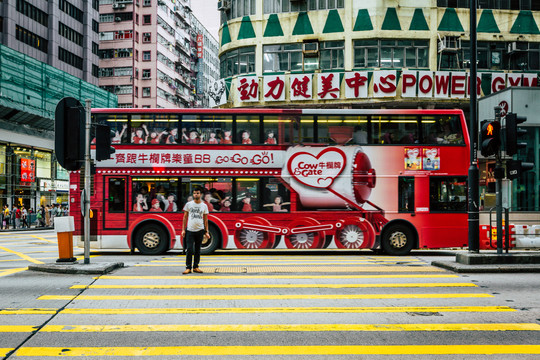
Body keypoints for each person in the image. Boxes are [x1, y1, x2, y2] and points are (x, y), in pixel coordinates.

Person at [181, 188, 209, 275]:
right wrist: (183, 229)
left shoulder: (204, 206)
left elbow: (206, 219)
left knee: (197, 249)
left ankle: (196, 266)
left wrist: (206, 231)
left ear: (200, 195)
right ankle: (188, 267)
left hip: (200, 230)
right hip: (190, 230)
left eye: (197, 193)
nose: (196, 195)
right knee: (189, 249)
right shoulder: (189, 204)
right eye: (194, 193)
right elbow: (185, 217)